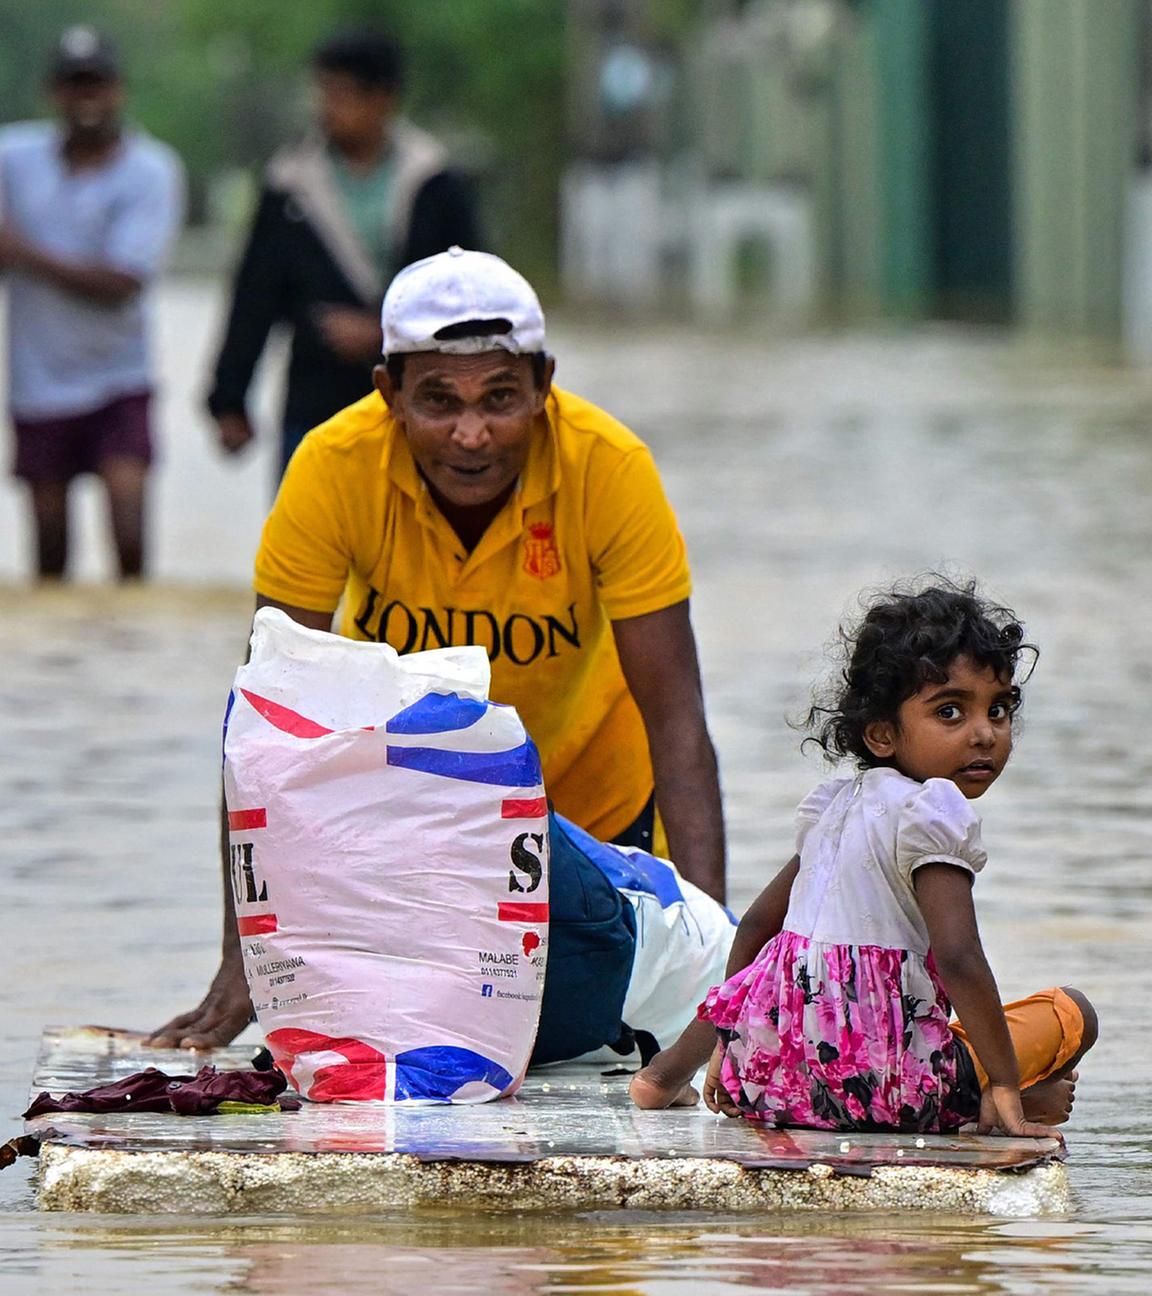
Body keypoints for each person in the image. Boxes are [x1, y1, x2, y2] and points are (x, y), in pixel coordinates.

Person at [149, 246, 727, 1050]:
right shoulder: (331, 467)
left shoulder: (610, 467)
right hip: (410, 818)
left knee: (570, 1025)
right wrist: (249, 959)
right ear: (388, 394)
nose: (472, 435)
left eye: (501, 398)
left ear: (543, 385)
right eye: (438, 401)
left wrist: (714, 967)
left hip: (593, 823)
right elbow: (265, 728)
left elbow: (677, 719)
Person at [630, 580, 1098, 1138]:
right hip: (888, 1093)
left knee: (828, 987)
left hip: (776, 1083)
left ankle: (660, 1077)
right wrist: (1003, 1080)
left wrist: (732, 1042)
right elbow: (959, 957)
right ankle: (1000, 1102)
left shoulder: (833, 806)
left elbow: (755, 926)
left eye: (997, 710)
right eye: (950, 712)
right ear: (880, 734)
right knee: (1072, 1013)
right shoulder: (932, 812)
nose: (984, 734)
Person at [206, 27, 482, 477]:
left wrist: (382, 330)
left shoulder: (434, 182)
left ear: (382, 99)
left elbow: (472, 289)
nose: (326, 107)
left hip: (424, 402)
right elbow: (255, 295)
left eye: (341, 94)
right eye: (323, 92)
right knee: (308, 515)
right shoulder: (289, 184)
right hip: (316, 396)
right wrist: (230, 399)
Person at [0, 27, 184, 580]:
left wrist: (21, 252)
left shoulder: (151, 170)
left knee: (129, 539)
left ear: (118, 90)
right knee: (50, 551)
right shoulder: (13, 158)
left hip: (118, 379)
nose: (86, 97)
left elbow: (123, 281)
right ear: (53, 92)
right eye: (74, 84)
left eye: (96, 84)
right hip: (38, 384)